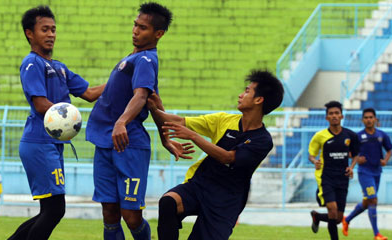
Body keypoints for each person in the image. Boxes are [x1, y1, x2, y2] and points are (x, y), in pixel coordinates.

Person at [148, 70, 284, 240]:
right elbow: (177, 122)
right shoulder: (223, 120)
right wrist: (153, 106)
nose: (241, 95)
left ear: (259, 100)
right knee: (168, 202)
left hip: (226, 201)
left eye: (247, 91)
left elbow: (228, 158)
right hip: (200, 184)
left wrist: (193, 136)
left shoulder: (263, 140)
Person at [85, 3, 182, 240]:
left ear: (158, 34)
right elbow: (154, 101)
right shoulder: (134, 56)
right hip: (107, 141)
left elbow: (141, 96)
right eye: (135, 25)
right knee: (109, 210)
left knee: (130, 214)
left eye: (143, 28)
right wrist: (165, 137)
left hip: (129, 144)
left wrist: (121, 122)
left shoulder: (147, 60)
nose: (135, 31)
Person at [8, 5, 105, 240]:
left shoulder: (59, 67)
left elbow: (90, 93)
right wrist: (66, 115)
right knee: (55, 210)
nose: (51, 34)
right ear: (30, 33)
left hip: (52, 144)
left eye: (53, 29)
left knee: (49, 210)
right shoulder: (32, 63)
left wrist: (122, 79)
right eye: (45, 29)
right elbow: (41, 104)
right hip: (38, 142)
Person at [309, 101, 360, 240]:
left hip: (342, 178)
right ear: (326, 117)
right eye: (331, 114)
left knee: (337, 218)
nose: (334, 116)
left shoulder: (351, 136)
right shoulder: (320, 136)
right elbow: (311, 155)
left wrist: (352, 167)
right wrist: (315, 161)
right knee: (332, 209)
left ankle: (317, 216)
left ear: (342, 116)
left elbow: (356, 154)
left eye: (337, 113)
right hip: (326, 177)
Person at [342, 108, 391, 240]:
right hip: (365, 173)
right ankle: (377, 234)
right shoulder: (358, 136)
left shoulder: (381, 135)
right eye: (366, 117)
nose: (369, 120)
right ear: (362, 120)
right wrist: (357, 159)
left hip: (377, 172)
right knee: (373, 199)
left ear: (375, 119)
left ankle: (347, 219)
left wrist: (385, 160)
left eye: (371, 117)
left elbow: (389, 149)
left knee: (367, 202)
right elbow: (349, 153)